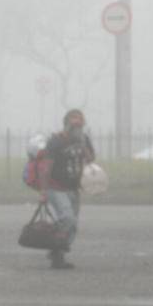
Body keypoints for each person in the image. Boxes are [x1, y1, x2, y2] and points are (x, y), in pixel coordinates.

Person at [38, 109, 96, 269]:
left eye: (80, 124)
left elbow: (91, 159)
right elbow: (46, 167)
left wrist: (83, 144)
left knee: (72, 225)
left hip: (74, 188)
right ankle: (55, 248)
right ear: (66, 124)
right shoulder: (56, 141)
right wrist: (43, 191)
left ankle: (57, 255)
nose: (77, 127)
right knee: (68, 218)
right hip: (56, 187)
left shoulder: (83, 139)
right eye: (73, 124)